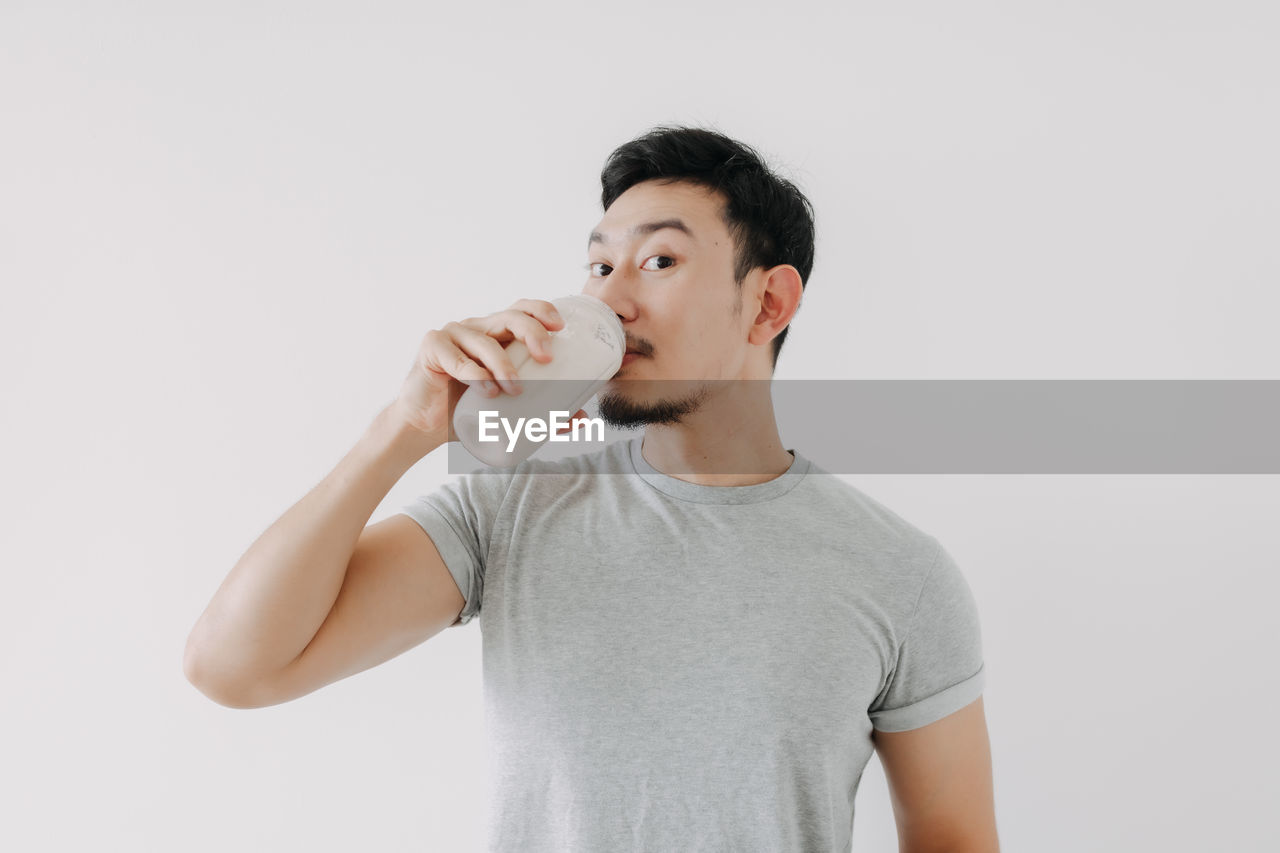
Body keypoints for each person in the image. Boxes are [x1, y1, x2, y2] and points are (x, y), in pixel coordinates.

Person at [183, 124, 1000, 852]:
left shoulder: (901, 575)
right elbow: (235, 667)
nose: (607, 296)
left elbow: (954, 837)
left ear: (769, 301)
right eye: (599, 263)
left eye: (659, 260)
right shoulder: (511, 508)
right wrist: (404, 428)